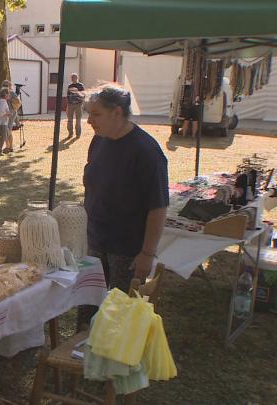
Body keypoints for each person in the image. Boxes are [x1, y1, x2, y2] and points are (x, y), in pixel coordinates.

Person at [76, 83, 169, 332]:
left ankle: (114, 366)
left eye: (95, 114)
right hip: (95, 241)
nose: (89, 121)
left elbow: (158, 207)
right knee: (87, 305)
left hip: (127, 249)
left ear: (117, 112)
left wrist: (147, 253)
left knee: (121, 316)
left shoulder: (147, 152)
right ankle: (82, 357)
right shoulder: (99, 141)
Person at [67, 73, 85, 138]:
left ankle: (78, 134)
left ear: (77, 78)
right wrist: (68, 104)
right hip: (70, 105)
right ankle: (70, 133)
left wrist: (80, 102)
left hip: (78, 105)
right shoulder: (70, 86)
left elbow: (83, 95)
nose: (72, 79)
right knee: (70, 120)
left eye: (74, 77)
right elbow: (68, 95)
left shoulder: (80, 85)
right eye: (72, 77)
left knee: (78, 120)